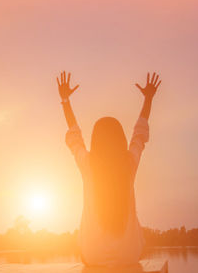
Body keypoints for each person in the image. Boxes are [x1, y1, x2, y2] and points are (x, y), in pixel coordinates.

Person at [57, 71, 161, 266]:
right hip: (128, 255)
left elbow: (74, 137)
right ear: (121, 140)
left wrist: (65, 100)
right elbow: (139, 134)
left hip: (93, 256)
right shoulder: (128, 164)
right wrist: (148, 99)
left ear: (96, 141)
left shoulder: (88, 164)